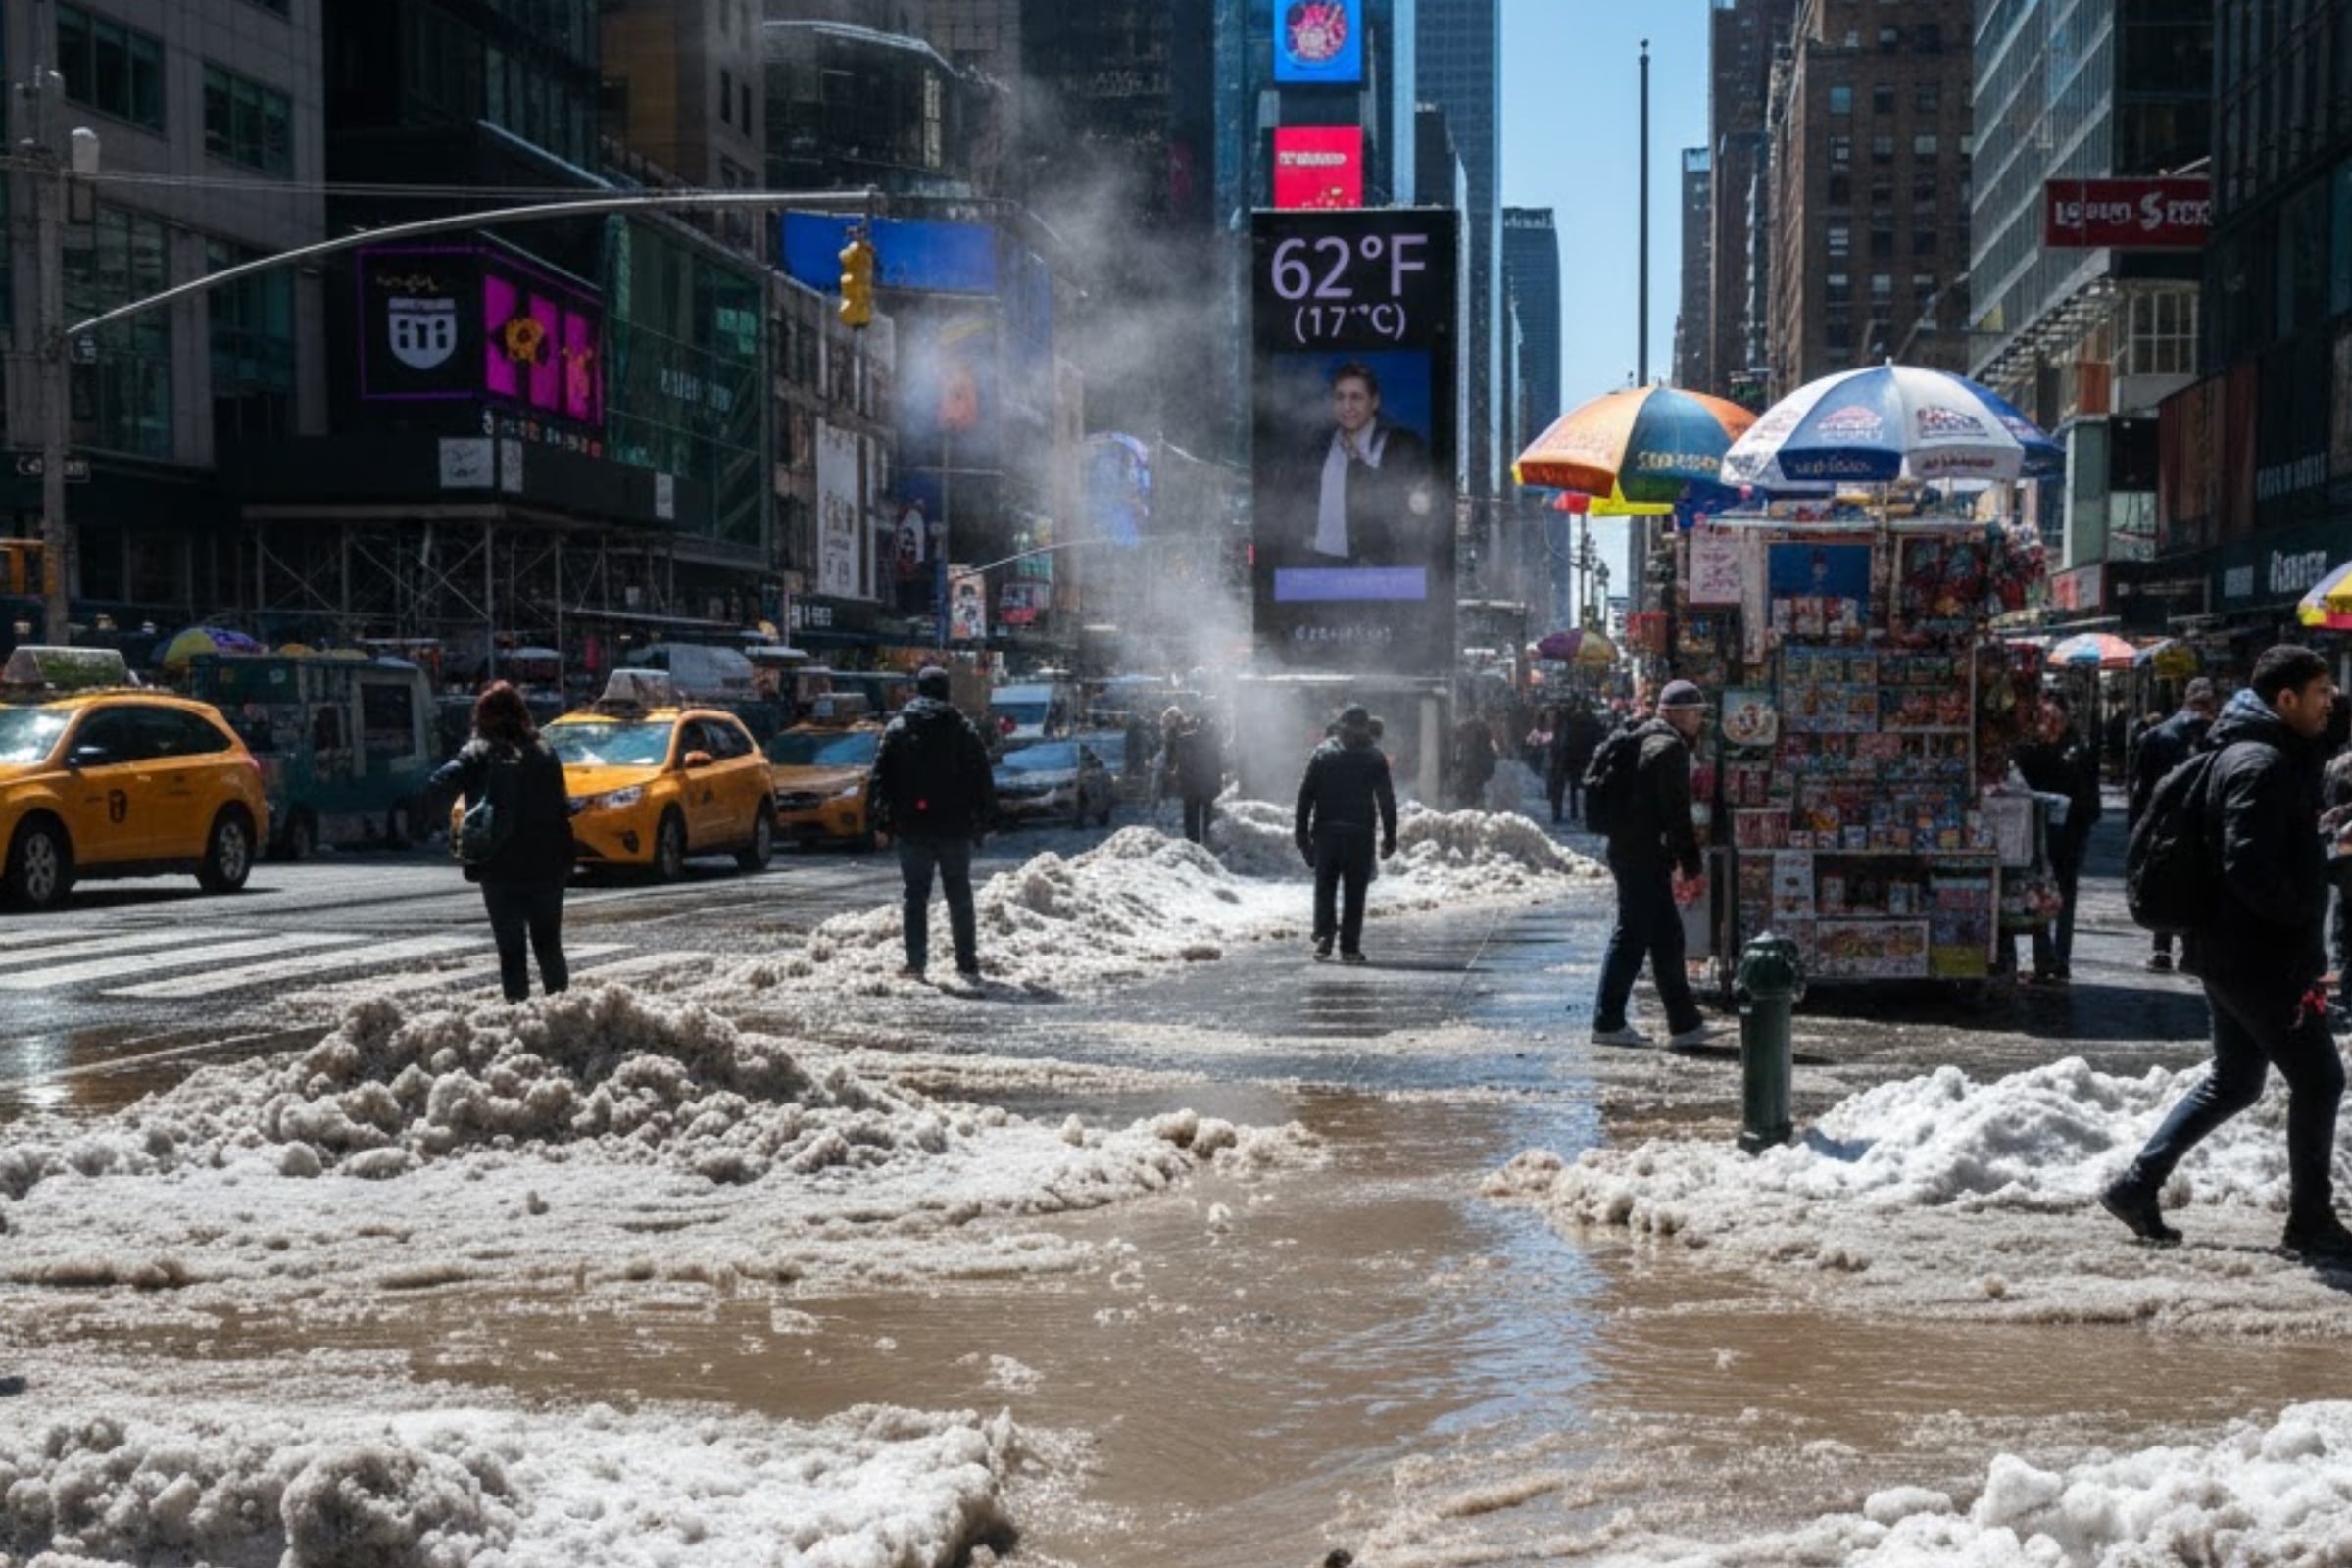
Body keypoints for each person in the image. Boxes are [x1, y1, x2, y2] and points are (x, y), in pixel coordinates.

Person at [2101, 645, 2352, 1262]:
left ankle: (2136, 1185)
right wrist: (2321, 878)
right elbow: (2248, 866)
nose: (2331, 703)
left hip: (2228, 952)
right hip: (2258, 957)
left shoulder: (2247, 752)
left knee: (2236, 1081)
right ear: (2285, 699)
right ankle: (2311, 1223)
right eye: (2322, 691)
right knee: (2320, 1078)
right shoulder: (2260, 763)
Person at [1590, 680, 1720, 1049]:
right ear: (1678, 714)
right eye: (1696, 713)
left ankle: (1684, 1023)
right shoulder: (1669, 748)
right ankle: (1608, 1021)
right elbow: (1676, 813)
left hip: (1631, 848)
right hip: (1642, 853)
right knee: (1632, 934)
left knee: (1666, 938)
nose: (1699, 720)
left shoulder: (1643, 735)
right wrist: (1691, 863)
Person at [429, 680, 574, 1004]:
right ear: (522, 714)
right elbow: (563, 806)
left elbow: (439, 783)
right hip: (548, 863)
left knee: (511, 951)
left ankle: (518, 1017)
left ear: (481, 717)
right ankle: (563, 1015)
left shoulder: (478, 754)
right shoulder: (544, 752)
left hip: (499, 865)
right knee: (549, 945)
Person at [873, 665, 997, 983]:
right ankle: (966, 963)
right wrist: (983, 821)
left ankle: (916, 964)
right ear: (946, 691)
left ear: (918, 690)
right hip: (955, 826)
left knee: (915, 895)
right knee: (959, 893)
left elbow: (880, 778)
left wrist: (883, 822)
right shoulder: (962, 728)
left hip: (912, 826)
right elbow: (981, 776)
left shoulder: (898, 727)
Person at [1293, 361, 1437, 566]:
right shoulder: (1316, 447)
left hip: (1382, 572)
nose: (1347, 406)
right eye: (1339, 397)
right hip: (1321, 571)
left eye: (1356, 397)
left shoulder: (1404, 445)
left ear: (1375, 401)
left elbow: (1417, 514)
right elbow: (1294, 507)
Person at [1295, 704, 1399, 964]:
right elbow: (1386, 800)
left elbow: (1306, 797)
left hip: (1337, 834)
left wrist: (1303, 836)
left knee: (1333, 889)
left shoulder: (1324, 753)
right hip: (1350, 834)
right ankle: (1340, 943)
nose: (1353, 735)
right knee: (1345, 891)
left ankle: (1330, 938)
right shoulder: (1371, 756)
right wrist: (1389, 836)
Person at [2010, 689, 2102, 983]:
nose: (2049, 723)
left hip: (2070, 834)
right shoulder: (2032, 747)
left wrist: (2079, 820)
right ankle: (2043, 958)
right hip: (2039, 834)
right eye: (2044, 718)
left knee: (2065, 897)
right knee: (2037, 894)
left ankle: (2059, 960)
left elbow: (2087, 794)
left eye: (2054, 718)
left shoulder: (2077, 748)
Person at [2129, 678, 2218, 973]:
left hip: (2165, 820)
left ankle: (2161, 948)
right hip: (2204, 821)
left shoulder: (2158, 734)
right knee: (2199, 881)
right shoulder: (2217, 736)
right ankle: (2192, 948)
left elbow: (2141, 786)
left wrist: (2138, 826)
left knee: (2163, 876)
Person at [1168, 708, 1225, 845]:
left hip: (1190, 786)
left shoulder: (1184, 740)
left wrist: (1180, 781)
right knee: (1209, 819)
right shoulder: (1215, 743)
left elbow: (1179, 762)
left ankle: (1192, 846)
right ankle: (1209, 844)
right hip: (1209, 785)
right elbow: (1220, 764)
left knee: (1191, 820)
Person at [1549, 700, 1607, 825]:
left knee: (1566, 786)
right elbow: (1599, 739)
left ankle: (1561, 813)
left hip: (1569, 756)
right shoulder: (1592, 722)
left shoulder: (1568, 722)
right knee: (1586, 788)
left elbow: (1561, 741)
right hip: (1584, 757)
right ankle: (1584, 814)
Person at [1450, 714, 1497, 810]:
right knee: (1476, 792)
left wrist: (1456, 764)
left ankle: (1466, 812)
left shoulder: (1463, 731)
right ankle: (1475, 811)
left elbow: (1457, 749)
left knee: (1467, 793)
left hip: (1468, 768)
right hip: (1478, 769)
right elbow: (1494, 749)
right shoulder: (1484, 730)